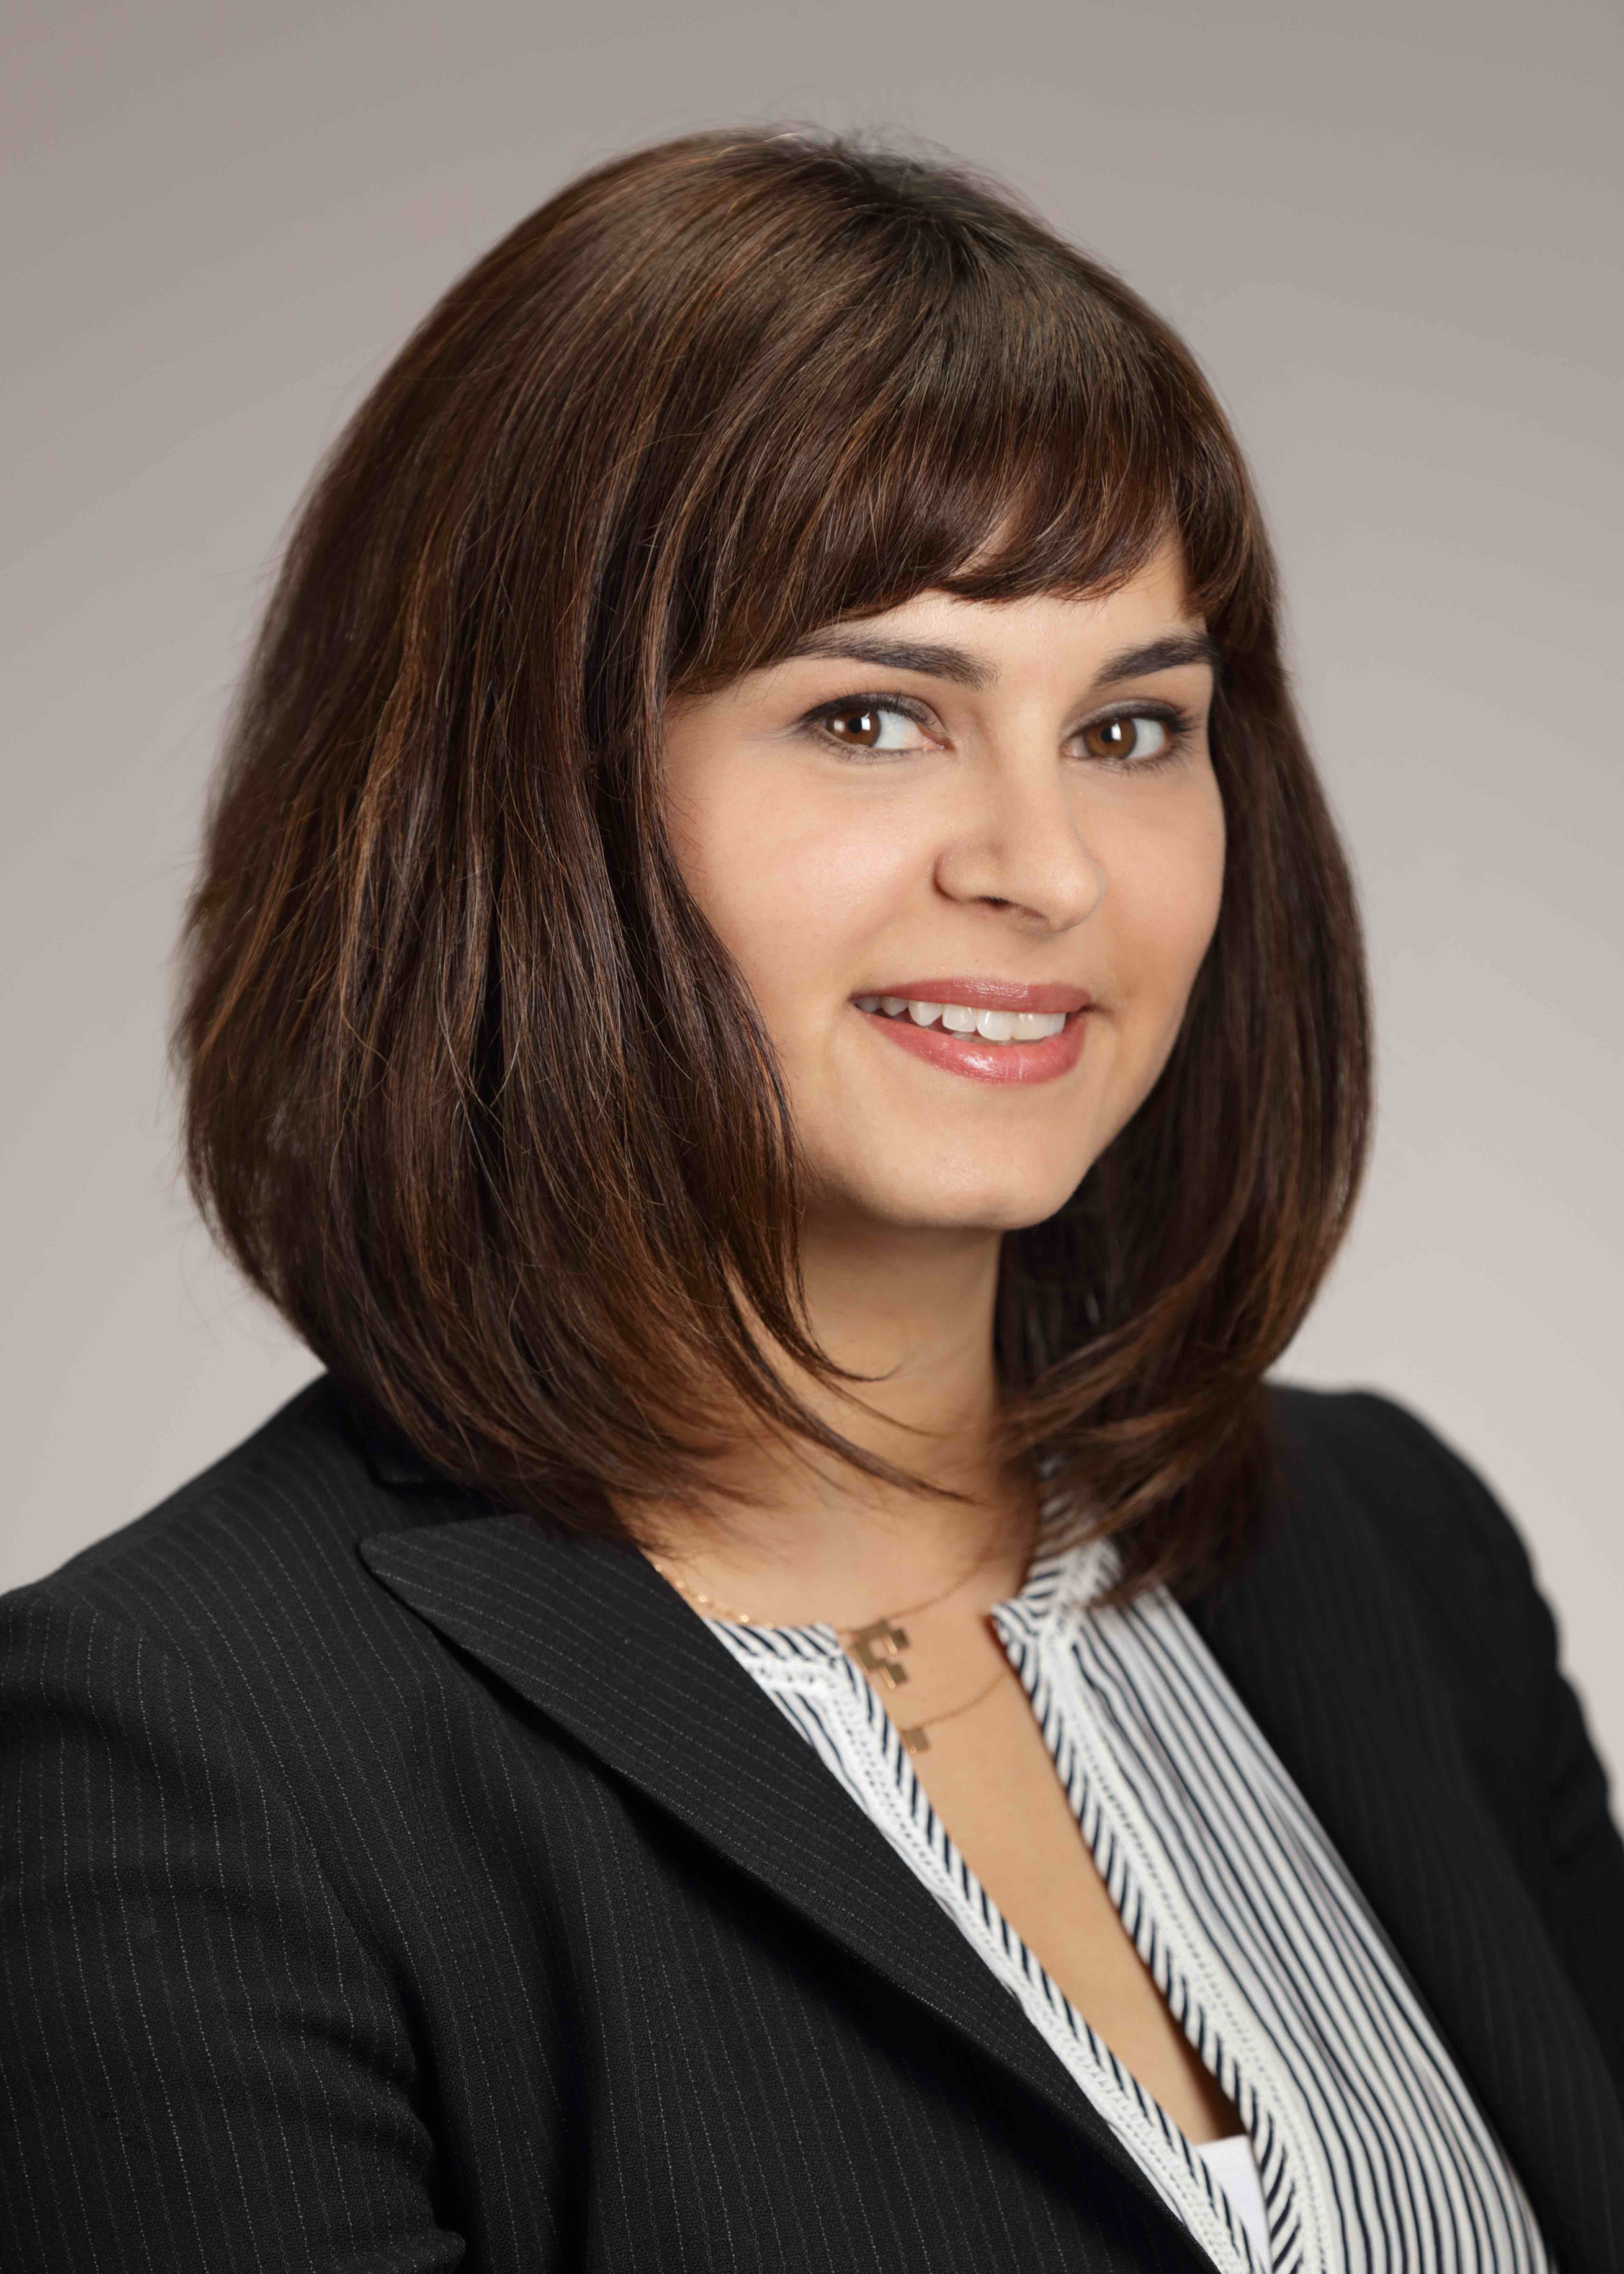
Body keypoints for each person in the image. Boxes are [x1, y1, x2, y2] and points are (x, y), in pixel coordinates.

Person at [2, 125, 1619, 2274]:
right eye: (872, 714)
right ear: (521, 793)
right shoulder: (172, 1762)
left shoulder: (1387, 1546)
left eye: (1135, 731)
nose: (1045, 869)